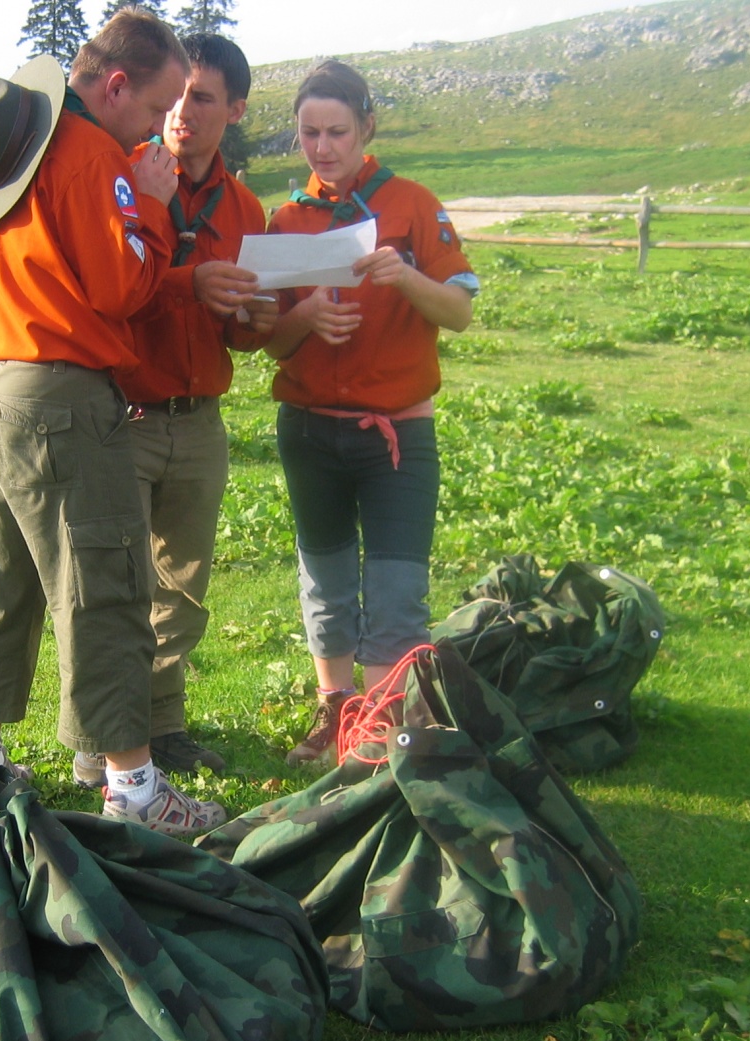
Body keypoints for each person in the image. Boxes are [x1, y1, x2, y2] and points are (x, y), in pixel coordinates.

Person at [0, 10, 226, 834]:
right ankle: (134, 786)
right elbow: (122, 289)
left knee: (0, 572)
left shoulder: (0, 157)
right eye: (152, 108)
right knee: (103, 583)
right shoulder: (94, 155)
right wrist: (155, 208)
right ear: (117, 85)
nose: (157, 131)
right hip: (58, 399)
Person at [262, 60, 480, 767]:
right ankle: (335, 711)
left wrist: (405, 274)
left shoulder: (414, 204)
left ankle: (384, 724)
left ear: (367, 129)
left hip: (398, 435)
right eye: (308, 133)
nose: (322, 147)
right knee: (324, 580)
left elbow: (462, 312)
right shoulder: (289, 220)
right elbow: (269, 341)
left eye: (336, 131)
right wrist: (305, 318)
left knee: (396, 591)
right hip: (309, 430)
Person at [96, 33, 274, 786]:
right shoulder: (125, 180)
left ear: (234, 110)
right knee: (116, 587)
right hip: (127, 412)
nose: (180, 115)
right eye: (172, 100)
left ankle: (161, 726)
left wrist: (259, 312)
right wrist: (188, 279)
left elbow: (246, 333)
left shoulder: (245, 208)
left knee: (183, 588)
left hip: (201, 419)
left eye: (200, 100)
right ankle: (109, 737)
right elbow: (109, 293)